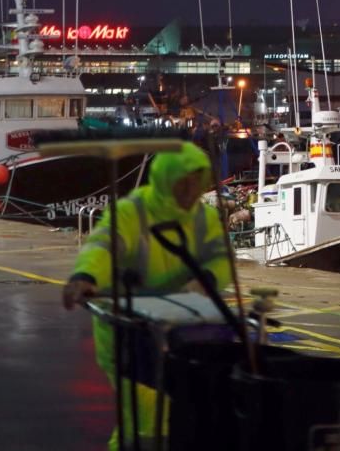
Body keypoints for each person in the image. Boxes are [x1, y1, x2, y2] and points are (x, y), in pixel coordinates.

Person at [62, 142, 231, 450]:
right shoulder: (130, 212)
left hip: (179, 329)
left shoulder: (204, 217)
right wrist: (85, 276)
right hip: (127, 331)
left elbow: (220, 257)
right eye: (185, 181)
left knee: (180, 417)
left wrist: (207, 277)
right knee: (145, 421)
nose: (191, 190)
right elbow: (102, 247)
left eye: (198, 181)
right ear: (167, 178)